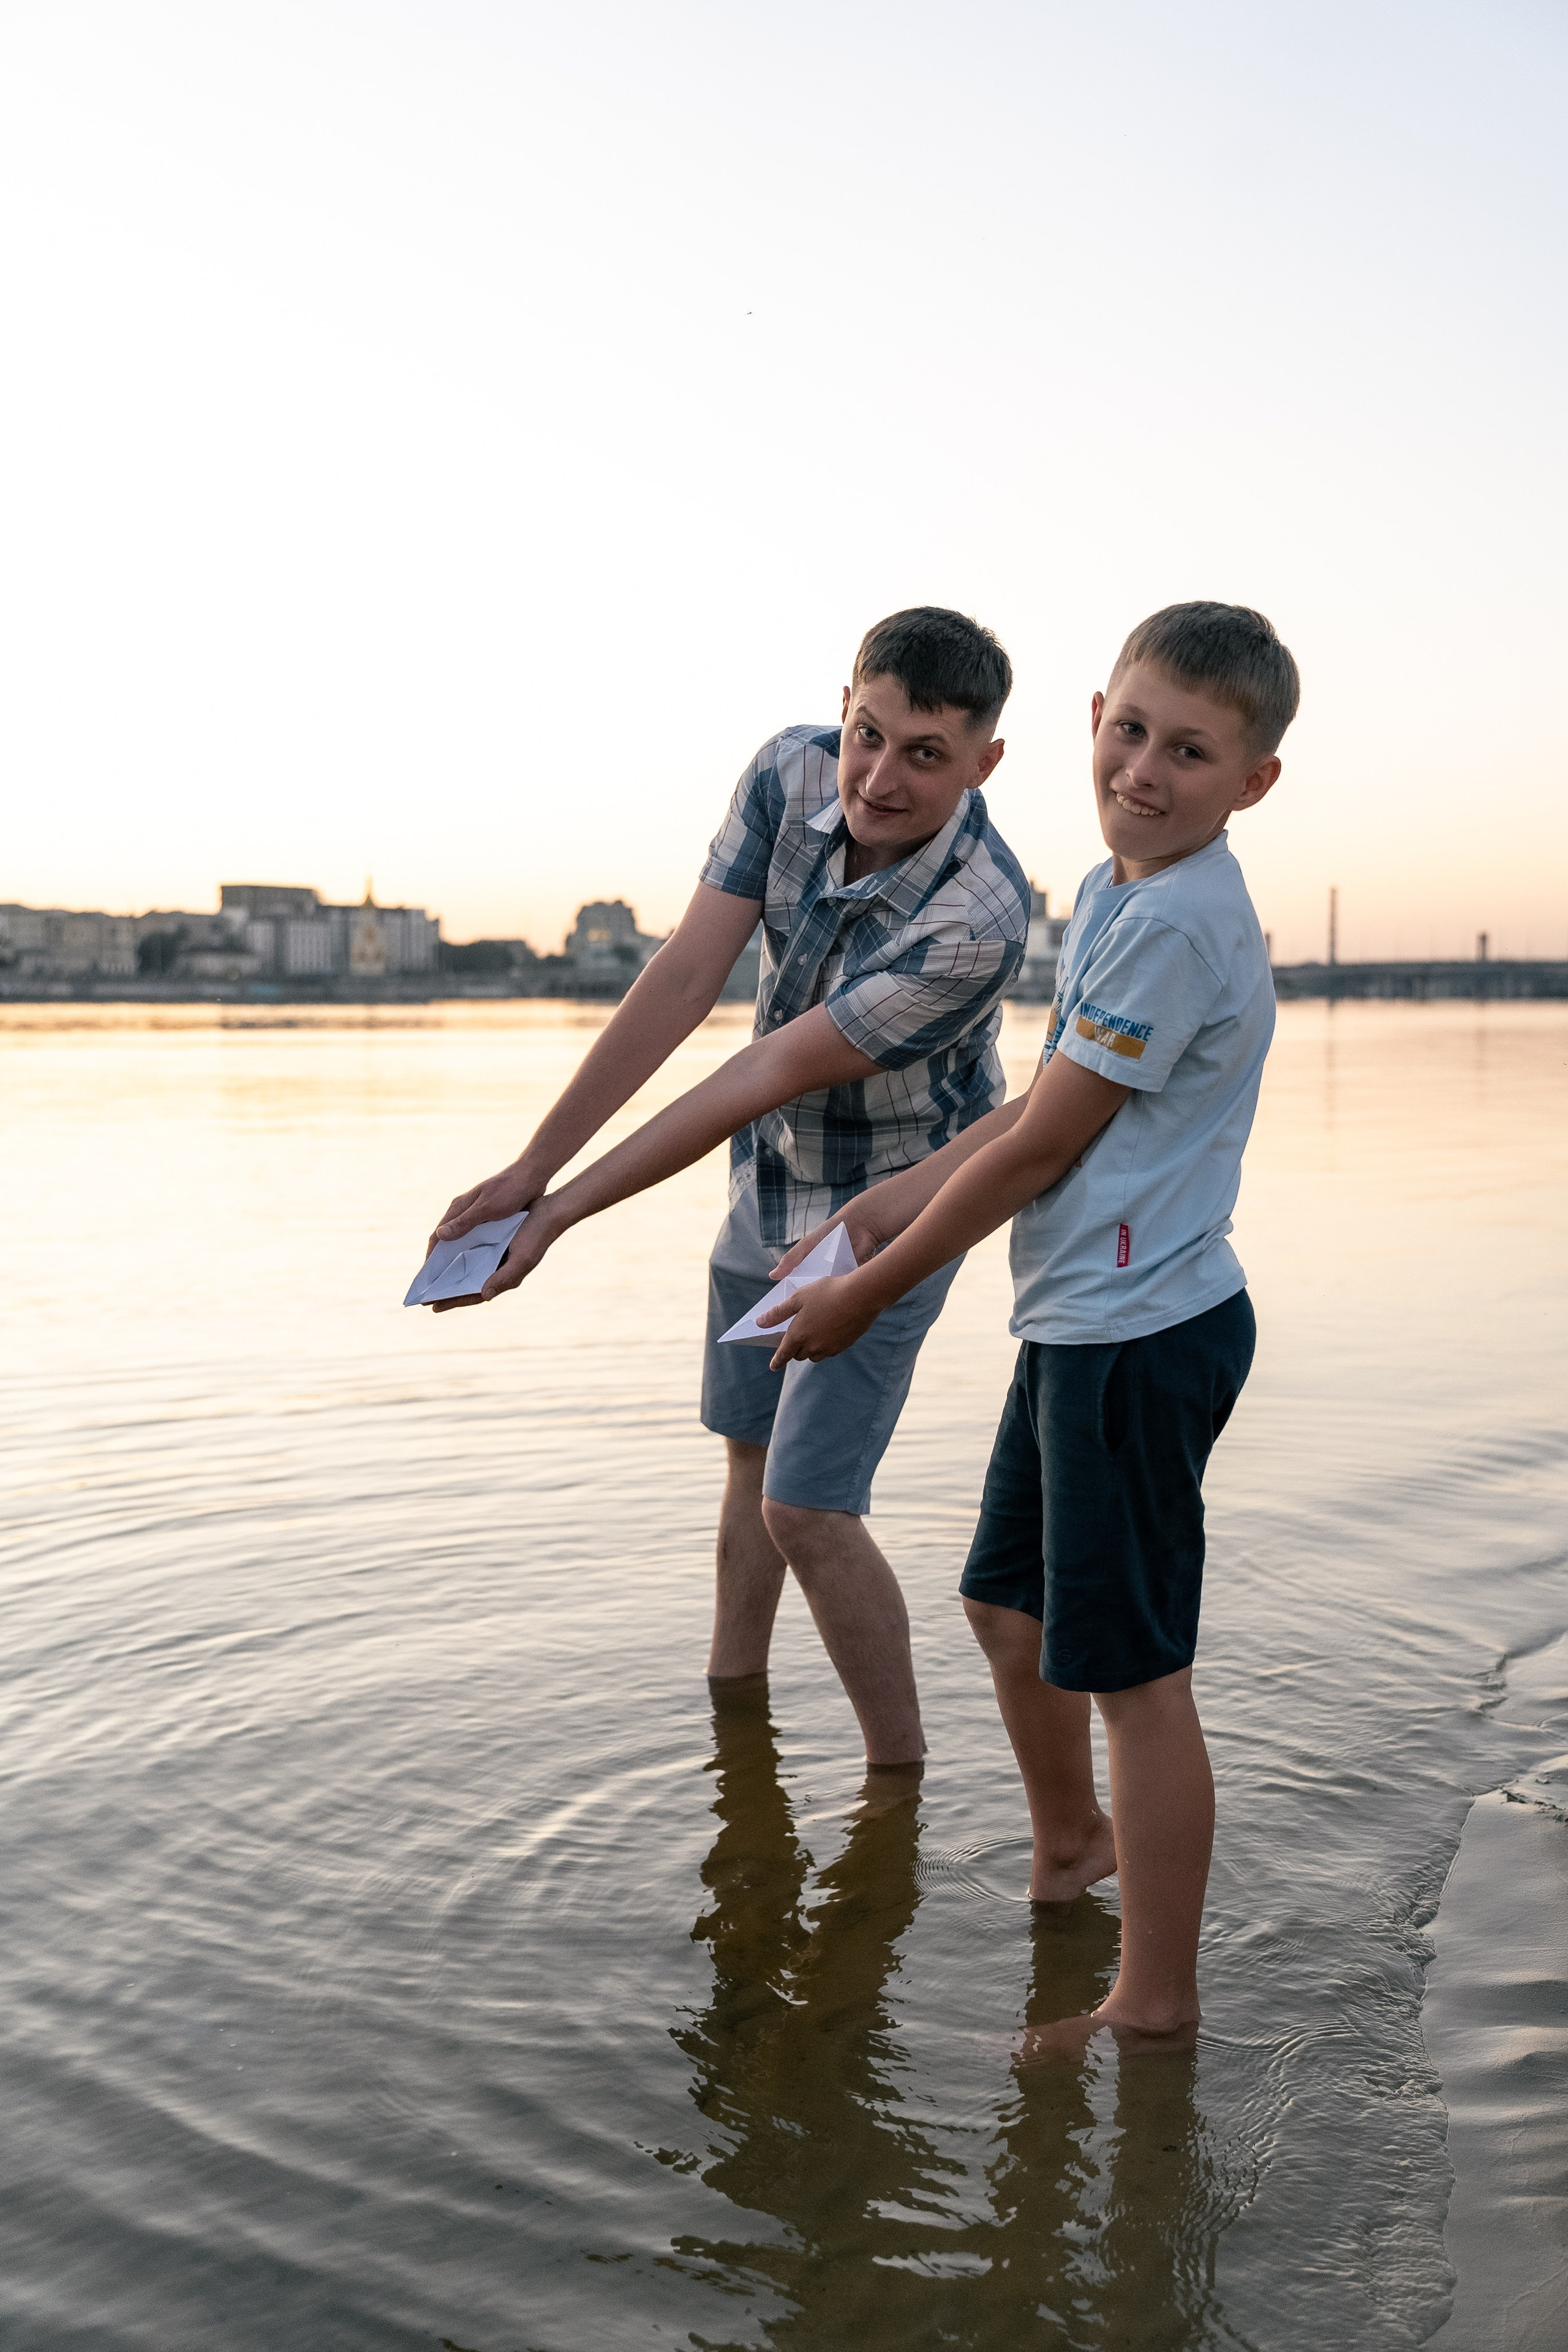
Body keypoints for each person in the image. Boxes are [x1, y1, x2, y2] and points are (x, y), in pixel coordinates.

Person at [757, 601, 1300, 2041]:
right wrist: (875, 1215)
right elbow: (1025, 1115)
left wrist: (865, 1294)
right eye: (1130, 730)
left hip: (1139, 1336)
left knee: (1134, 1677)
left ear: (1250, 781)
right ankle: (1073, 1846)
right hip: (1081, 1325)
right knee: (1007, 1609)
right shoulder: (1121, 891)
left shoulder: (1173, 922)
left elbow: (1043, 1150)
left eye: (1188, 752)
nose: (1143, 769)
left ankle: (1152, 2002)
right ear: (1090, 723)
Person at [422, 607, 1031, 1766]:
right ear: (844, 705)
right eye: (868, 734)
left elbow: (763, 1070)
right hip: (771, 1171)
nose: (879, 778)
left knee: (809, 1505)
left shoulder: (980, 918)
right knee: (750, 1458)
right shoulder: (788, 770)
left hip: (894, 1202)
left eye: (925, 754)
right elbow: (686, 974)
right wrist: (528, 1169)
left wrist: (558, 1217)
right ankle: (731, 1725)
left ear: (983, 763)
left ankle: (898, 1787)